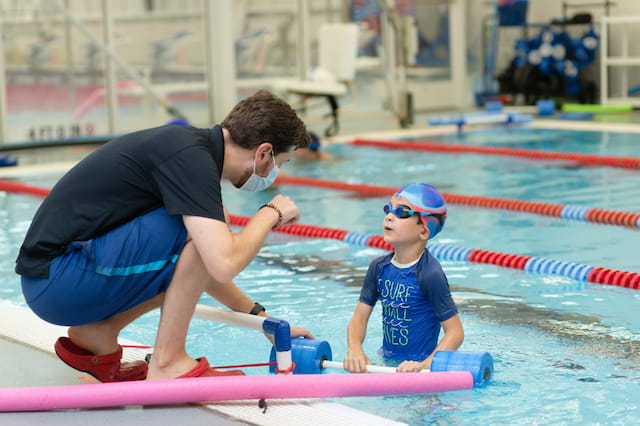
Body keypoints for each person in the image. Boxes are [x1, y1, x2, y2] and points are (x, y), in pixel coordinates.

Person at [15, 89, 315, 382]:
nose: (275, 172)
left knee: (205, 234)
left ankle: (100, 332)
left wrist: (262, 319)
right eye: (280, 162)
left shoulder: (190, 151)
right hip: (60, 281)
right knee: (210, 231)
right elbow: (222, 262)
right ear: (263, 152)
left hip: (52, 280)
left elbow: (199, 270)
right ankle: (169, 361)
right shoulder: (191, 159)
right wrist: (269, 214)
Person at [344, 183, 463, 373]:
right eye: (389, 209)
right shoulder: (378, 267)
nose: (389, 216)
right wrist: (355, 350)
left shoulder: (429, 274)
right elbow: (359, 317)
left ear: (424, 231)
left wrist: (425, 365)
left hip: (418, 368)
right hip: (387, 361)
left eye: (402, 212)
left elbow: (455, 332)